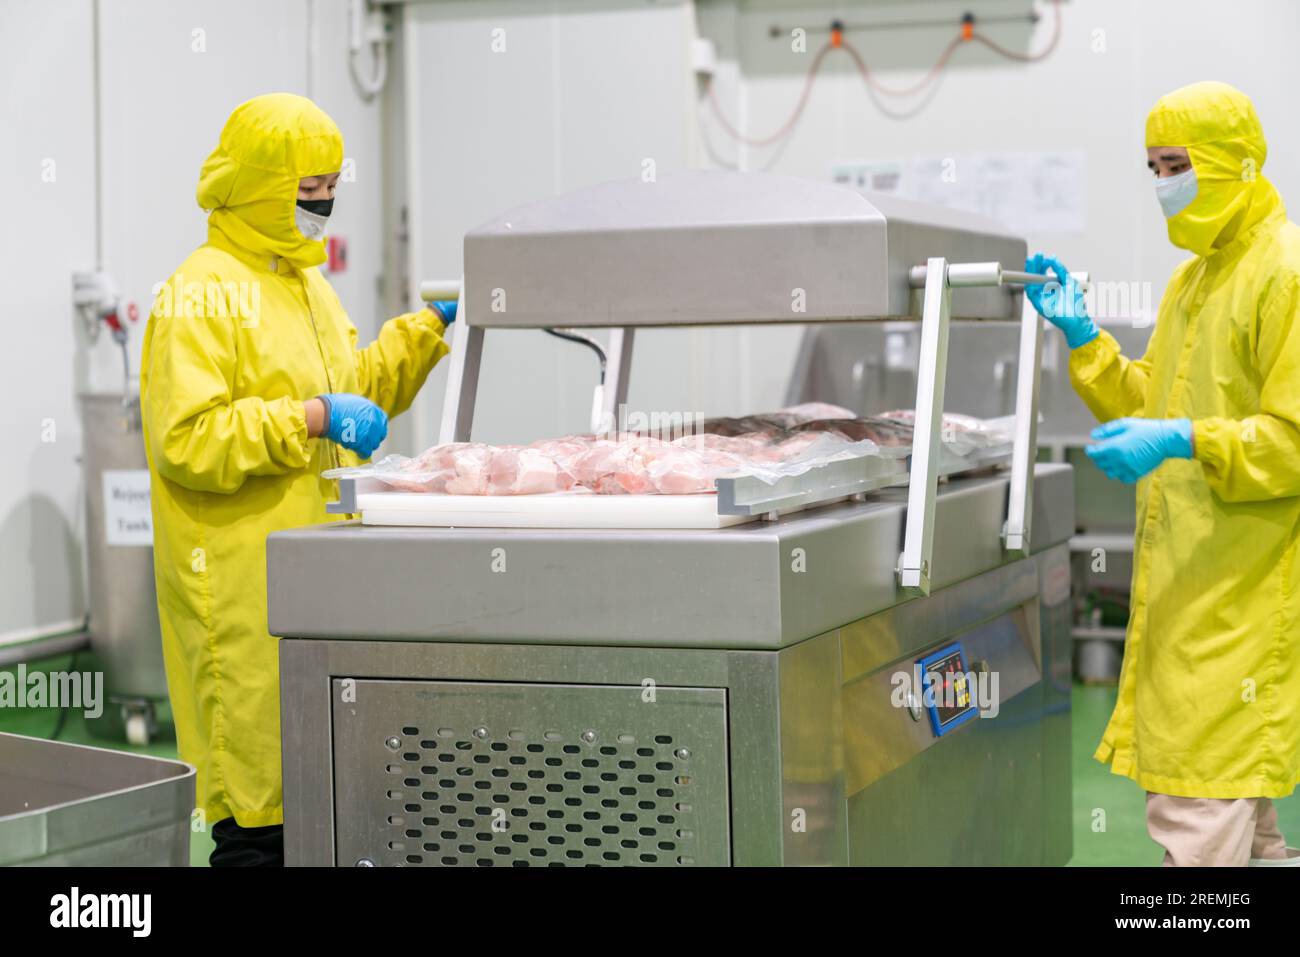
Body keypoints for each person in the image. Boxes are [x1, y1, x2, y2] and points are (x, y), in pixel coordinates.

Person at [140, 93, 454, 866]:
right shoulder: (199, 290)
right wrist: (308, 418)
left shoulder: (305, 282)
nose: (324, 203)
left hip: (320, 576)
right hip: (242, 593)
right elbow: (187, 437)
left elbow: (354, 389)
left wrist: (428, 331)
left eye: (328, 185)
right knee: (262, 817)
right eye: (306, 190)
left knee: (326, 796)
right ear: (258, 184)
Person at [1025, 81, 1300, 867]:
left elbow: (1291, 440)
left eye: (1176, 164)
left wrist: (1184, 438)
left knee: (1200, 806)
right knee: (1242, 817)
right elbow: (1157, 395)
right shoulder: (1194, 278)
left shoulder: (1283, 272)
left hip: (1241, 593)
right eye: (1152, 167)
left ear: (1233, 161)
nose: (1163, 184)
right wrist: (1086, 337)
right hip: (1188, 582)